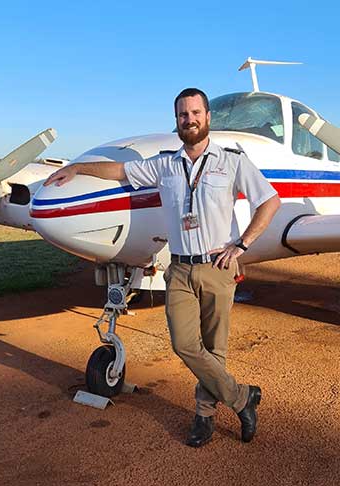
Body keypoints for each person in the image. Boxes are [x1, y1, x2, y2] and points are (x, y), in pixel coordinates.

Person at [44, 88, 281, 447]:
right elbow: (120, 170)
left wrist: (242, 244)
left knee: (214, 349)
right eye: (183, 114)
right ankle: (243, 397)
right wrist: (77, 167)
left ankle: (204, 415)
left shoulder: (232, 161)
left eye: (196, 112)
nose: (190, 119)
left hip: (218, 266)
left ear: (207, 117)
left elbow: (270, 201)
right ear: (177, 120)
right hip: (181, 270)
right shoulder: (166, 164)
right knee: (185, 344)